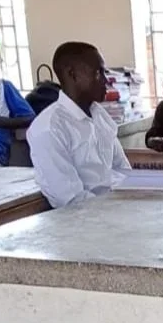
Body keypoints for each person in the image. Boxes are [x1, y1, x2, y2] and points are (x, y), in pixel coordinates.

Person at [26, 41, 132, 208]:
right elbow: (71, 200)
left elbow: (124, 172)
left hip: (117, 208)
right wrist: (116, 209)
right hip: (83, 221)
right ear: (72, 74)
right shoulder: (49, 128)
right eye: (99, 73)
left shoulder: (100, 116)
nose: (107, 81)